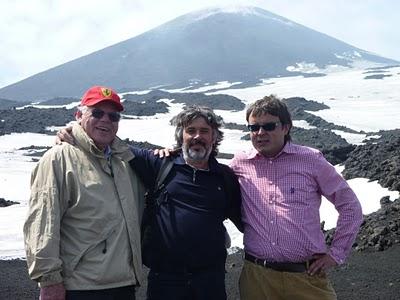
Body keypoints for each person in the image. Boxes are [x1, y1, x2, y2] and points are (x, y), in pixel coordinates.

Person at [57, 105, 243, 300]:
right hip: (165, 281)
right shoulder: (160, 163)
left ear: (214, 137)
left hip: (210, 282)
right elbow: (114, 144)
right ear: (181, 136)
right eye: (191, 130)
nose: (197, 136)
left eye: (204, 131)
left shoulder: (225, 177)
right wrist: (74, 132)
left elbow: (244, 220)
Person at [230, 95, 363, 300]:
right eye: (253, 128)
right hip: (257, 279)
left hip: (306, 278)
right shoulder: (240, 163)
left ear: (286, 127)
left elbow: (350, 206)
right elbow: (207, 174)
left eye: (269, 126)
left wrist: (336, 253)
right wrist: (174, 154)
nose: (260, 133)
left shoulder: (311, 160)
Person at [23, 86, 145, 300]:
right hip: (79, 287)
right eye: (97, 113)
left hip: (123, 285)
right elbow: (42, 223)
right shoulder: (59, 158)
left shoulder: (123, 162)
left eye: (113, 116)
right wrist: (49, 281)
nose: (105, 120)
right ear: (79, 115)